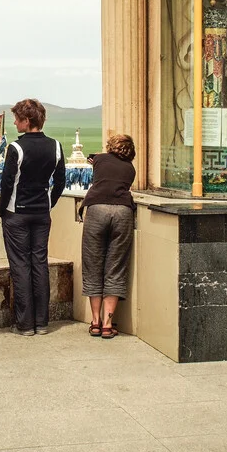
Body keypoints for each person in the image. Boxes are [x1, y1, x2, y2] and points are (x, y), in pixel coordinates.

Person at [0, 99, 66, 335]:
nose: (15, 122)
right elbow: (60, 182)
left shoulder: (16, 148)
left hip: (17, 212)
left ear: (27, 121)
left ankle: (25, 324)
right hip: (41, 213)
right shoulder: (55, 146)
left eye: (17, 119)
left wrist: (2, 208)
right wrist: (49, 203)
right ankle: (42, 322)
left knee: (20, 266)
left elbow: (7, 183)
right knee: (39, 264)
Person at [80, 134, 136, 339]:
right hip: (123, 211)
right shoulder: (130, 168)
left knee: (92, 264)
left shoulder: (100, 159)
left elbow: (92, 158)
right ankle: (107, 324)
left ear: (111, 146)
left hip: (97, 210)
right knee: (116, 267)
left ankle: (94, 322)